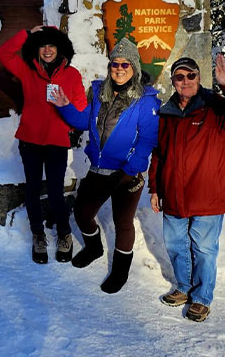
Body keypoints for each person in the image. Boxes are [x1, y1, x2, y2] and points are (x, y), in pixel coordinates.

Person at [148, 55, 225, 322]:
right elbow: (158, 154)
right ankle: (184, 288)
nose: (185, 81)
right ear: (173, 81)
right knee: (175, 244)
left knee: (204, 249)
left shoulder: (215, 107)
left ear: (198, 77)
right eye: (179, 77)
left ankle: (202, 297)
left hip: (207, 195)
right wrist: (154, 188)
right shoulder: (167, 112)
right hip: (172, 193)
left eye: (191, 75)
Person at [52, 37, 159, 293]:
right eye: (114, 64)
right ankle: (94, 248)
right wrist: (65, 107)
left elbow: (147, 140)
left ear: (134, 67)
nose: (119, 68)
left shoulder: (146, 101)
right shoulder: (101, 92)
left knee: (123, 223)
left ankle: (120, 270)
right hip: (100, 168)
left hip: (126, 172)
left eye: (125, 64)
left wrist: (131, 169)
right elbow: (83, 121)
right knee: (82, 213)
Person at [0, 25, 87, 264]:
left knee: (57, 193)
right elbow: (3, 54)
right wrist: (26, 33)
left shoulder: (72, 75)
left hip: (56, 142)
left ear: (60, 49)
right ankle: (38, 236)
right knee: (33, 191)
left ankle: (64, 235)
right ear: (37, 49)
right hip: (30, 141)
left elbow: (82, 111)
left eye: (52, 45)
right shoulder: (28, 70)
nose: (47, 50)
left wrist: (66, 106)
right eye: (42, 45)